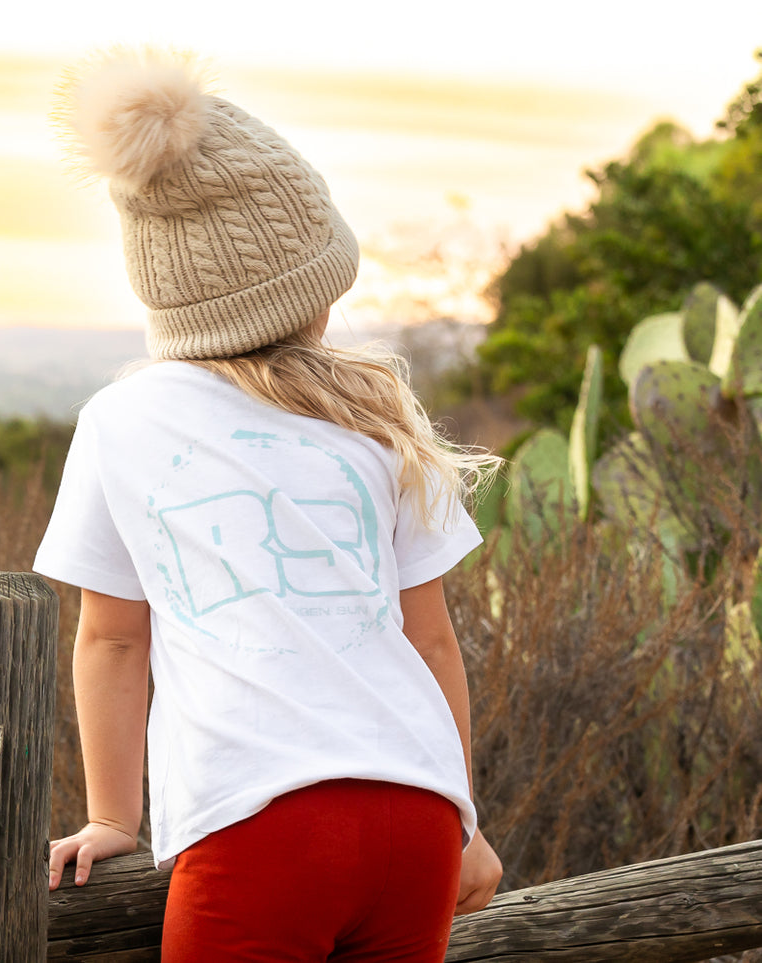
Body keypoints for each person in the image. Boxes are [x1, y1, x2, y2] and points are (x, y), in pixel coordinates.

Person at [33, 51, 504, 962]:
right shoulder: (377, 415)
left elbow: (113, 638)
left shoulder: (122, 419)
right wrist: (464, 819)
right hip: (413, 815)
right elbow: (431, 639)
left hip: (258, 821)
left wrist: (110, 817)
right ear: (314, 285)